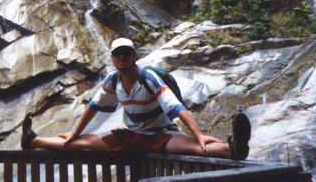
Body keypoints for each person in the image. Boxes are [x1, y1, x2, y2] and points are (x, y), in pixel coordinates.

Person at [21, 38, 251, 160]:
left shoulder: (147, 77)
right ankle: (32, 140)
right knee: (81, 142)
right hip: (130, 137)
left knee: (190, 146)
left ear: (133, 55)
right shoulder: (113, 81)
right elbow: (92, 108)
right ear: (112, 58)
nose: (121, 57)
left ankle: (232, 149)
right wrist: (73, 132)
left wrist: (198, 134)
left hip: (161, 134)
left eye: (125, 53)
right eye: (117, 54)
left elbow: (176, 108)